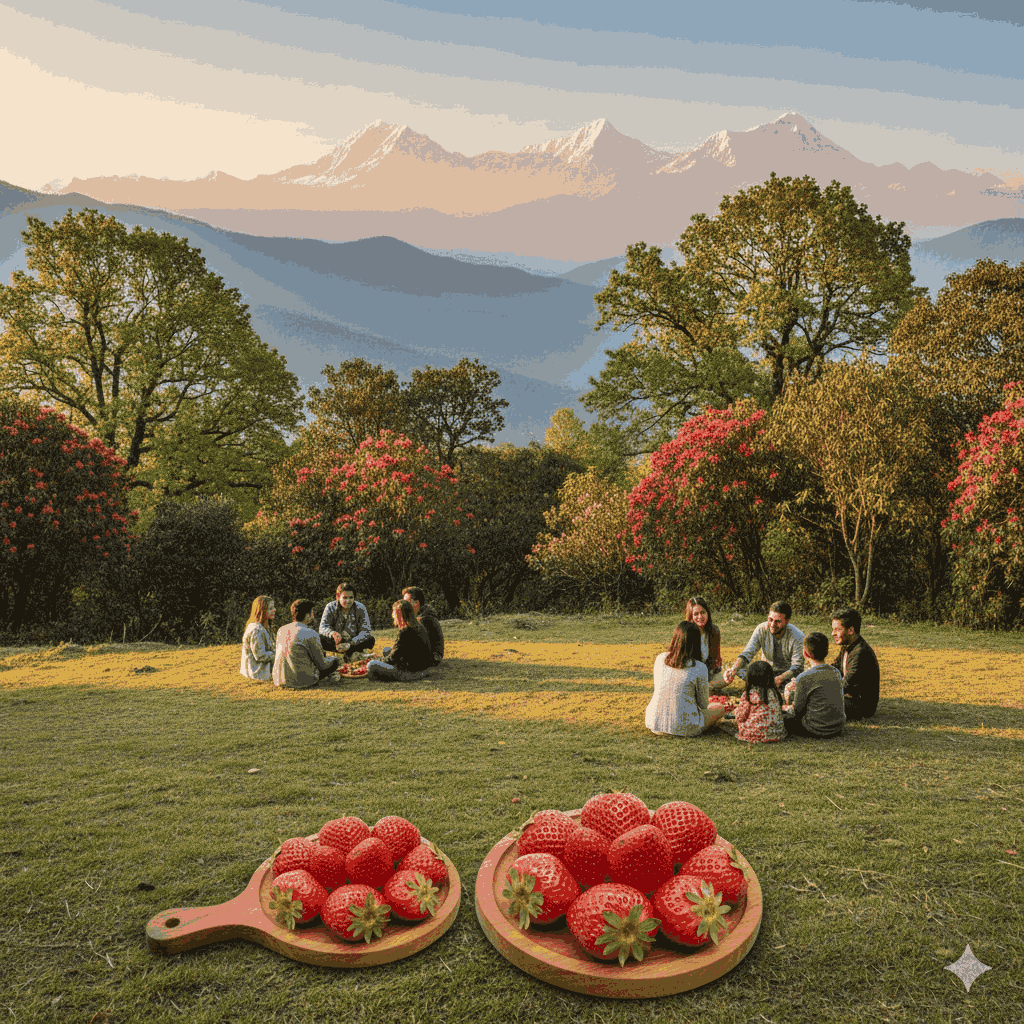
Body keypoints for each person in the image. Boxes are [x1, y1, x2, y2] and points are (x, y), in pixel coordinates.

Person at [645, 621, 728, 737]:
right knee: (718, 708)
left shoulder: (660, 658)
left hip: (653, 722)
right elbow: (703, 705)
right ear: (696, 642)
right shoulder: (699, 667)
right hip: (685, 727)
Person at [723, 601, 804, 691]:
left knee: (797, 679)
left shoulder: (798, 636)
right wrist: (733, 670)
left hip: (786, 674)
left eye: (777, 621)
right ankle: (767, 685)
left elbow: (797, 666)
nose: (772, 625)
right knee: (740, 667)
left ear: (787, 621)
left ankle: (768, 686)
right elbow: (747, 653)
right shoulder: (761, 629)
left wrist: (780, 679)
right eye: (770, 619)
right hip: (766, 672)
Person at [783, 632, 845, 739]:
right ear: (826, 652)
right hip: (837, 727)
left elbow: (797, 711)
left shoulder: (804, 677)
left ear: (805, 653)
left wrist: (786, 707)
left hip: (815, 729)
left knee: (781, 717)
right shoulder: (836, 672)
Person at [274, 598, 341, 689]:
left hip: (279, 679)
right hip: (302, 681)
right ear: (307, 615)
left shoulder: (281, 630)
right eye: (312, 612)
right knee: (335, 661)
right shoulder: (311, 633)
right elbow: (321, 665)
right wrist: (333, 659)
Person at [366, 599, 434, 681]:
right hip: (425, 669)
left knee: (371, 665)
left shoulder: (405, 632)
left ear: (400, 615)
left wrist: (377, 660)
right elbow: (399, 651)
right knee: (386, 650)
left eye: (394, 612)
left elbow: (392, 659)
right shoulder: (418, 626)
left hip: (411, 673)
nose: (392, 615)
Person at [831, 607, 880, 720]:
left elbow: (846, 684)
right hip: (849, 698)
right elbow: (834, 668)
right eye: (833, 629)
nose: (833, 633)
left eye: (837, 629)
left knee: (817, 700)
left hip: (861, 706)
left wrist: (819, 690)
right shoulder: (848, 645)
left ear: (851, 630)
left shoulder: (860, 652)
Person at [318, 582, 375, 661]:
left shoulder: (361, 607)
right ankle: (351, 653)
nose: (348, 601)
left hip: (353, 641)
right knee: (319, 638)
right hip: (336, 642)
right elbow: (323, 627)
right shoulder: (330, 607)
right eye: (345, 597)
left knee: (370, 639)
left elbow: (366, 630)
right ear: (338, 597)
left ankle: (351, 652)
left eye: (351, 597)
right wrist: (332, 633)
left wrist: (352, 643)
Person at [734, 660, 785, 743]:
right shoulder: (775, 693)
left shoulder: (749, 694)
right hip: (777, 734)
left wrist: (735, 711)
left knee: (739, 724)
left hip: (753, 735)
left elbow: (740, 717)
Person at [684, 595, 722, 690]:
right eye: (696, 614)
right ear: (690, 616)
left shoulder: (714, 630)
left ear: (707, 613)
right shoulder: (685, 633)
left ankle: (707, 688)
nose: (700, 617)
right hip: (688, 677)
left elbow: (716, 660)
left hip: (707, 675)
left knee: (727, 677)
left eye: (703, 612)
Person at [402, 585, 444, 666]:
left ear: (417, 603)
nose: (404, 605)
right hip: (431, 655)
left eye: (407, 602)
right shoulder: (420, 615)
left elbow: (417, 645)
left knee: (388, 652)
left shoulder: (424, 619)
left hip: (432, 657)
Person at [239, 594, 276, 682]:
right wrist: (278, 655)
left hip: (259, 670)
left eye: (273, 607)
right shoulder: (256, 629)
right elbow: (260, 656)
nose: (274, 610)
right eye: (270, 609)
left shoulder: (263, 626)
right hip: (258, 672)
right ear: (261, 611)